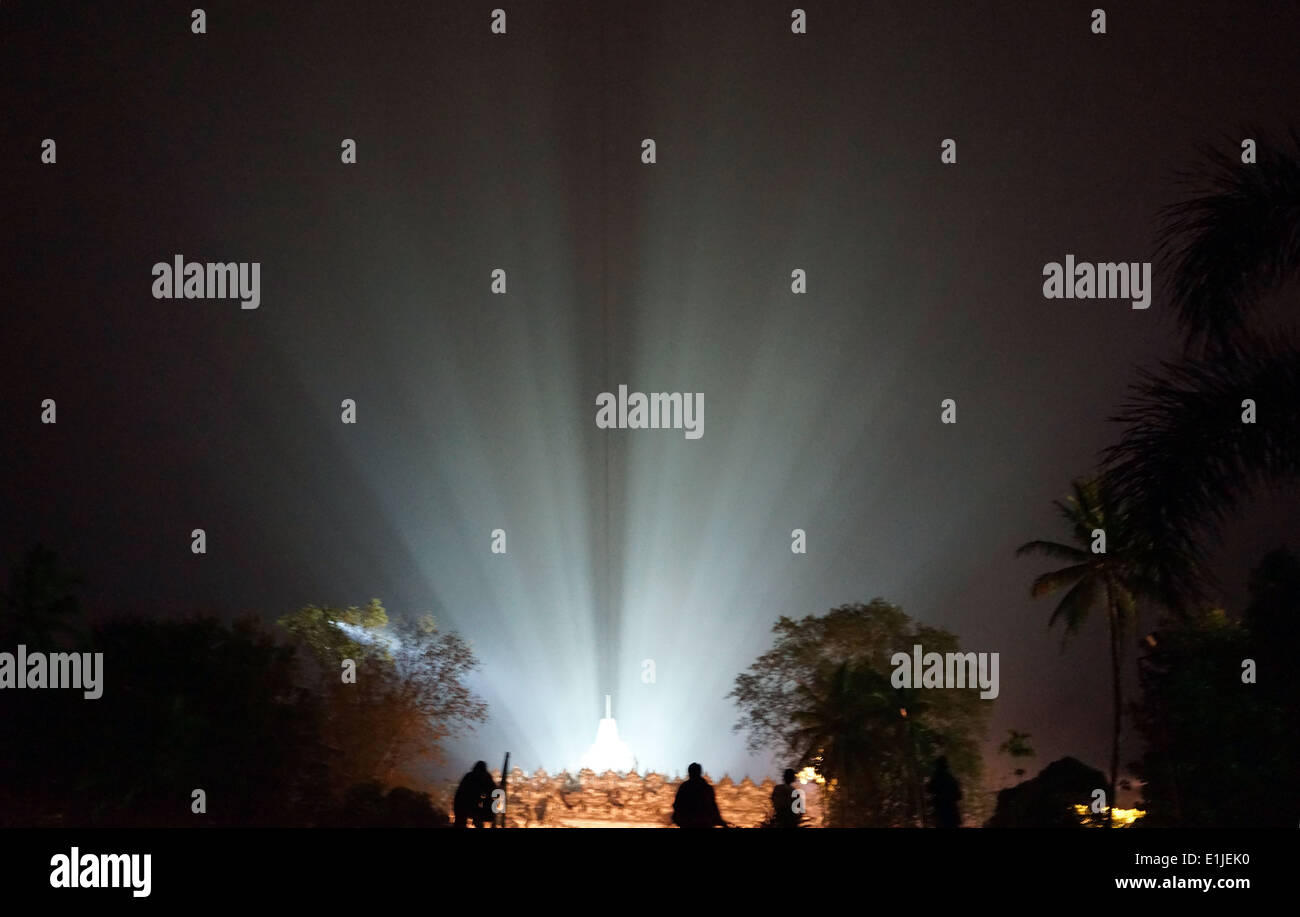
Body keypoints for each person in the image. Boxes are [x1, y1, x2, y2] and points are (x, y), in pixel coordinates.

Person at [671, 762, 728, 828]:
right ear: (700, 772)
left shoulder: (684, 787)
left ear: (689, 773)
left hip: (688, 822)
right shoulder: (707, 788)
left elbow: (676, 805)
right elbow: (713, 807)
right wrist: (719, 820)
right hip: (704, 822)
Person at [453, 760, 497, 828]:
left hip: (469, 805)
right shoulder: (485, 778)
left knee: (461, 821)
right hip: (468, 804)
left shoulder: (470, 776)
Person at [926, 756, 962, 828]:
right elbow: (959, 795)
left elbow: (929, 789)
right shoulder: (951, 778)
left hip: (941, 813)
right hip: (951, 813)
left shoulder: (936, 777)